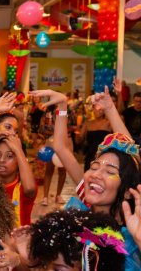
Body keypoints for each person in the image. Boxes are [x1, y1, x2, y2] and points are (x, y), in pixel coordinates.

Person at [30, 87, 141, 270]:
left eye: (109, 171)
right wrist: (62, 105)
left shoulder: (134, 230)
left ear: (128, 188)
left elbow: (130, 160)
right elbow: (60, 147)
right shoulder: (84, 203)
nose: (96, 174)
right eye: (94, 167)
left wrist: (110, 110)